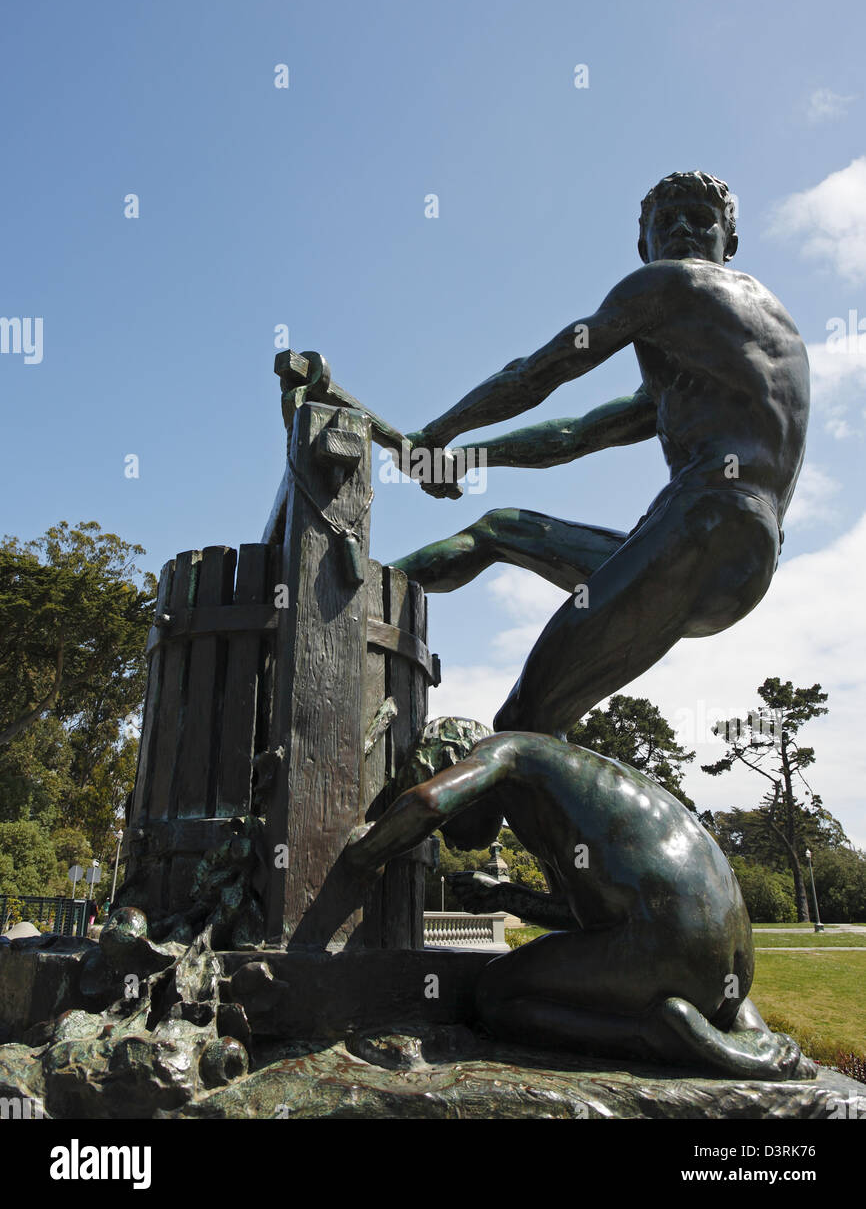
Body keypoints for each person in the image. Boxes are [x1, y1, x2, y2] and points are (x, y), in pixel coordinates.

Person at [394, 172, 809, 736]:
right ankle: (373, 589)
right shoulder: (731, 346)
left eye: (699, 217)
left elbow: (541, 371)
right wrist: (467, 456)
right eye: (667, 221)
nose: (682, 228)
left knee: (525, 721)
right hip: (741, 561)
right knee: (500, 531)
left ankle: (344, 607)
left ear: (728, 241)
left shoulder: (667, 284)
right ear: (645, 241)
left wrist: (438, 433)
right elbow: (582, 433)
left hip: (701, 520)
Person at [296, 725, 814, 1081]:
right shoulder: (571, 781)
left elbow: (430, 803)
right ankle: (747, 1036)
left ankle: (654, 1033)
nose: (449, 839)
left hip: (661, 953)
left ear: (457, 766)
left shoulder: (506, 753)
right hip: (726, 969)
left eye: (450, 829)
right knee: (672, 952)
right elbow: (592, 918)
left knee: (497, 995)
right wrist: (508, 898)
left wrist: (358, 861)